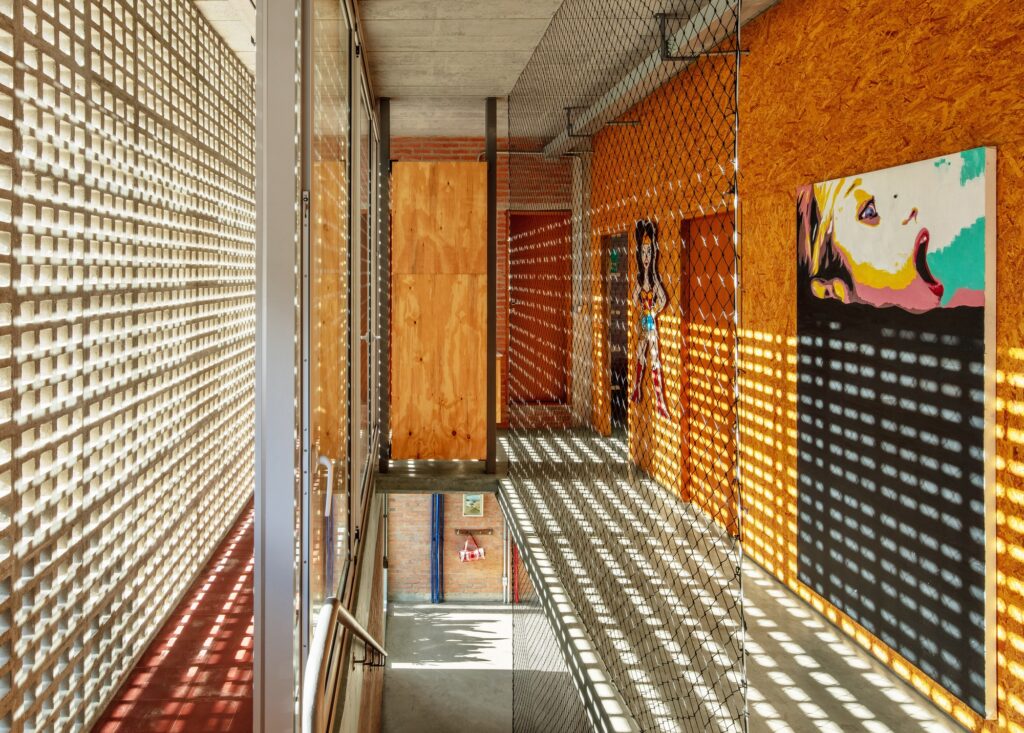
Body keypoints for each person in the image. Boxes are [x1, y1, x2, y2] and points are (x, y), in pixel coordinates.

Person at [630, 218, 670, 418]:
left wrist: (653, 310)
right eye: (643, 252)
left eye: (649, 252)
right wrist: (642, 308)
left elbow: (662, 299)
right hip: (644, 319)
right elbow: (633, 296)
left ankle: (660, 401)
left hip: (650, 320)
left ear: (653, 254)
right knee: (640, 354)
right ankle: (636, 389)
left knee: (654, 357)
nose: (646, 256)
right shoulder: (640, 279)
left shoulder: (654, 280)